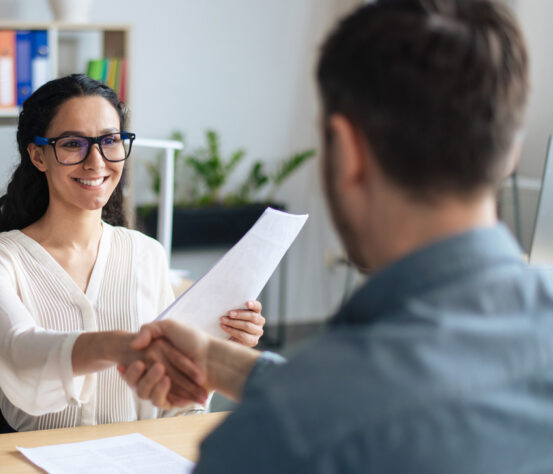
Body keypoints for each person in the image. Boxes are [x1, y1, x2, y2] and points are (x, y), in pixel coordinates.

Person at [119, 0, 553, 472]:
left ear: (347, 151)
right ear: (511, 149)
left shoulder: (277, 438)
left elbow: (344, 403)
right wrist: (213, 359)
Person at [0, 74, 266, 434]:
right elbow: (20, 353)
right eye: (73, 143)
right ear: (38, 155)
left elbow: (172, 408)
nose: (96, 161)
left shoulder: (146, 254)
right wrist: (121, 346)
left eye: (110, 140)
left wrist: (218, 346)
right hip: (38, 459)